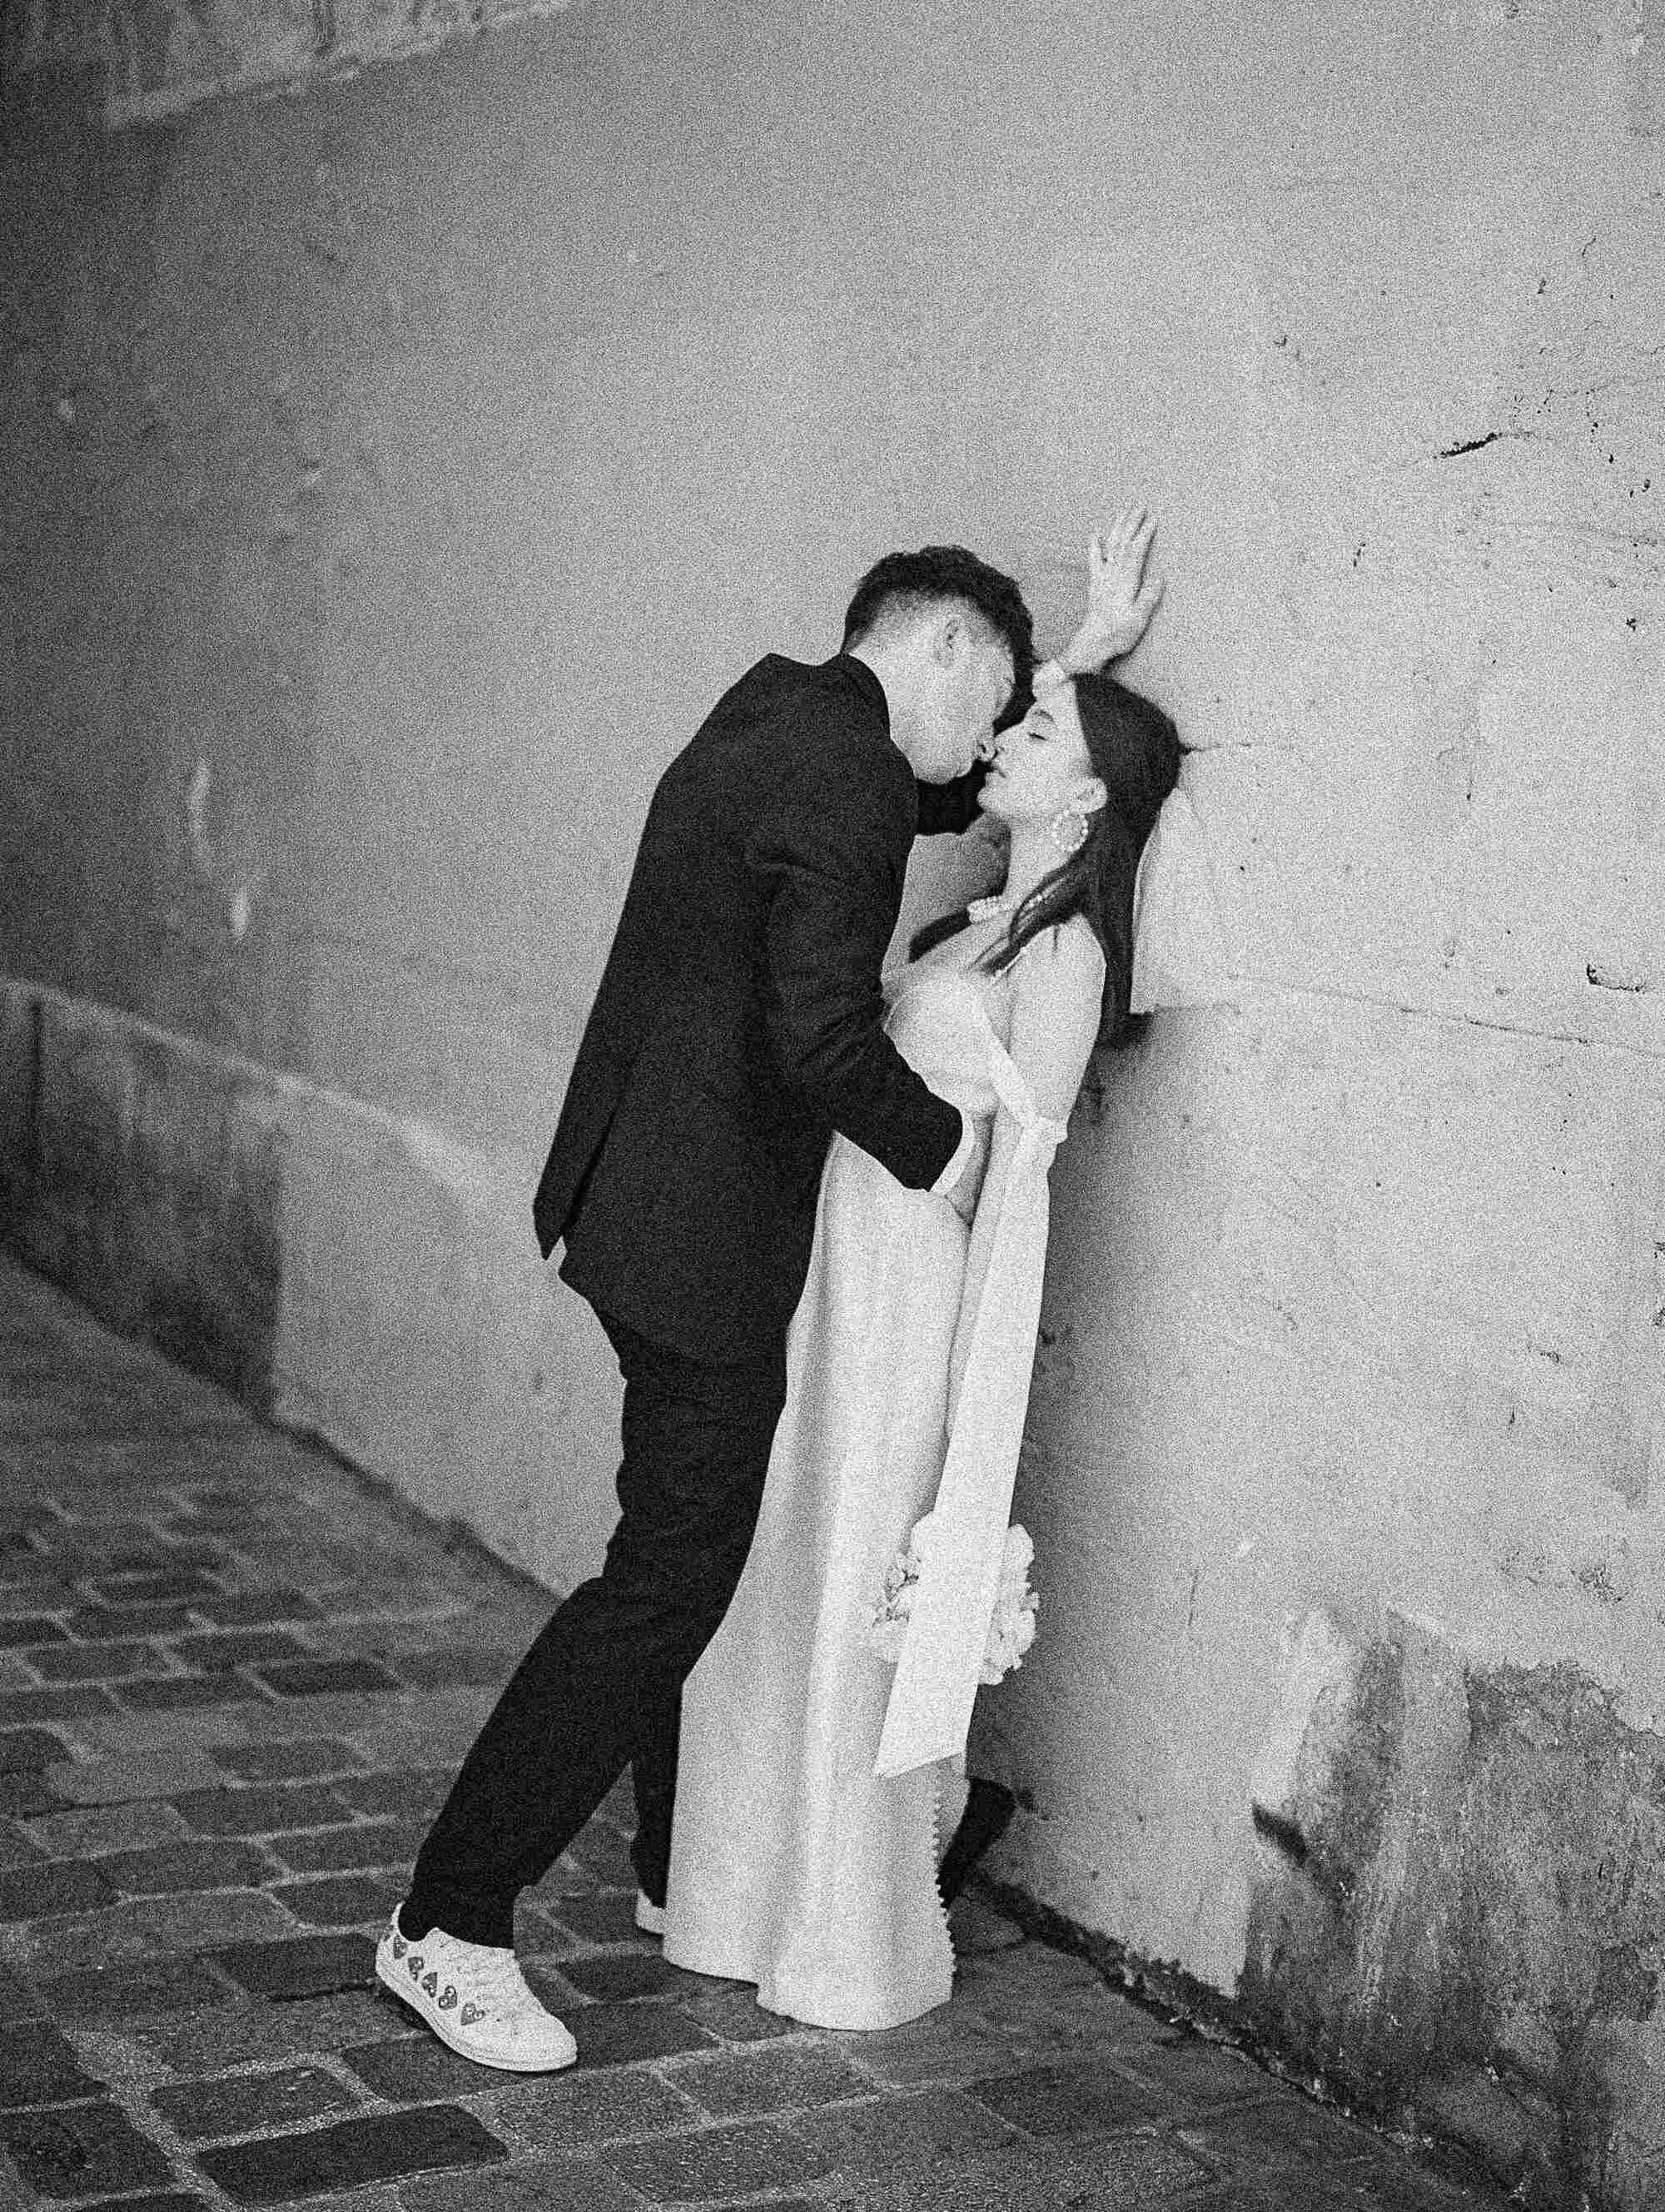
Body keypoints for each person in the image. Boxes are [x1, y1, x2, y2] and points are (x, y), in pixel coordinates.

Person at [375, 519, 1158, 2071]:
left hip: (634, 1200)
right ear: (938, 653)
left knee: (687, 1558)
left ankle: (676, 1869)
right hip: (706, 1241)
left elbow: (963, 783)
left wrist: (1072, 665)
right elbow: (820, 1032)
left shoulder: (778, 708)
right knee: (671, 1575)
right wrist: (950, 1163)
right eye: (992, 699)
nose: (984, 748)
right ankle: (450, 1920)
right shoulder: (851, 772)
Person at [659, 644, 1185, 2030]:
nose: (1010, 730)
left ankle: (843, 1930)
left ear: (1085, 798)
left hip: (909, 1292)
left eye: (1043, 723)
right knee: (786, 1556)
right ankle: (736, 1894)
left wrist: (974, 1397)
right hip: (832, 1266)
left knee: (850, 1576)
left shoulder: (1065, 952)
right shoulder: (969, 924)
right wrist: (1075, 650)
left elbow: (1024, 1181)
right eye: (1012, 705)